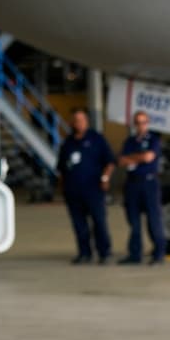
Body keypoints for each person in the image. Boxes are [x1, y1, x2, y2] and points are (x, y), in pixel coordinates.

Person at [55, 108, 116, 264]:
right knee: (79, 224)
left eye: (81, 120)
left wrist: (105, 178)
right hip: (73, 191)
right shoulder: (68, 143)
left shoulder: (97, 139)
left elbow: (109, 162)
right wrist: (62, 187)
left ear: (87, 121)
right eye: (75, 121)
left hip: (93, 189)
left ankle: (105, 253)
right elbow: (61, 168)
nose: (78, 123)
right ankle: (84, 253)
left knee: (99, 222)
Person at [116, 111, 165, 265]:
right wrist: (139, 157)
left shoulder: (153, 140)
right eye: (137, 122)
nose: (140, 125)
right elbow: (121, 161)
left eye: (143, 122)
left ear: (147, 123)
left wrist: (132, 158)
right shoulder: (130, 141)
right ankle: (135, 254)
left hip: (148, 182)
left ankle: (158, 253)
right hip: (132, 183)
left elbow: (148, 157)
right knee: (133, 220)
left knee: (153, 219)